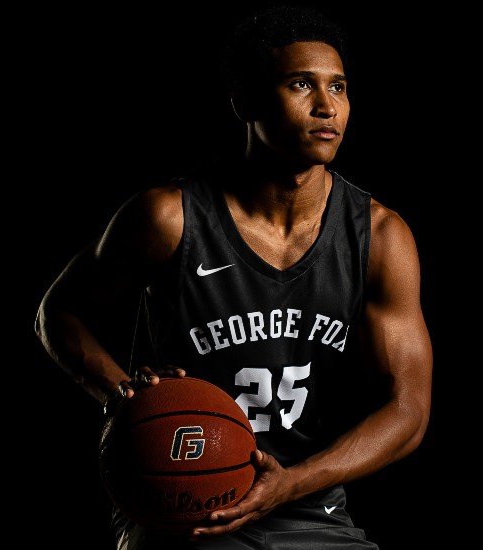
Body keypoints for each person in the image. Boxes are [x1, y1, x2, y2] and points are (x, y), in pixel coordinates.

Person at [35, 5, 433, 549]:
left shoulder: (380, 236)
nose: (326, 106)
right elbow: (59, 312)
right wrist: (124, 396)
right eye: (301, 84)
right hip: (183, 504)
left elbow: (407, 410)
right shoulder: (169, 216)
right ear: (245, 101)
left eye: (338, 88)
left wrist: (291, 483)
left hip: (309, 507)